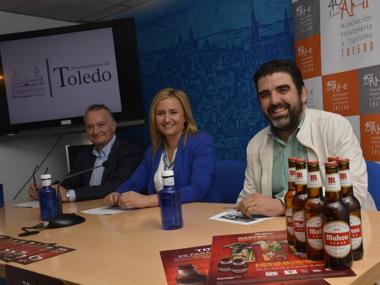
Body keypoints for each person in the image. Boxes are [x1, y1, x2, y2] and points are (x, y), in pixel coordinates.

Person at [237, 59, 376, 217]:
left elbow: (353, 190)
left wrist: (285, 204)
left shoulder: (335, 126)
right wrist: (248, 207)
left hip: (344, 229)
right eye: (265, 95)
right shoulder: (256, 144)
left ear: (303, 93)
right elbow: (248, 198)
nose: (274, 100)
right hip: (279, 233)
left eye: (283, 90)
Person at [104, 88, 215, 209]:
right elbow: (134, 183)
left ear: (185, 117)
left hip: (200, 216)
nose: (167, 119)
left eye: (173, 112)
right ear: (154, 119)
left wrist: (149, 200)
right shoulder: (153, 151)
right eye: (160, 113)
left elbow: (197, 189)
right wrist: (117, 194)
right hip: (164, 217)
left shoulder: (201, 142)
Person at [28, 104, 142, 202]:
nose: (95, 131)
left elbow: (115, 186)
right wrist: (48, 190)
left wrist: (69, 195)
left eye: (101, 125)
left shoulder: (130, 151)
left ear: (113, 126)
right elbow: (70, 181)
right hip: (88, 210)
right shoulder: (84, 154)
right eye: (90, 127)